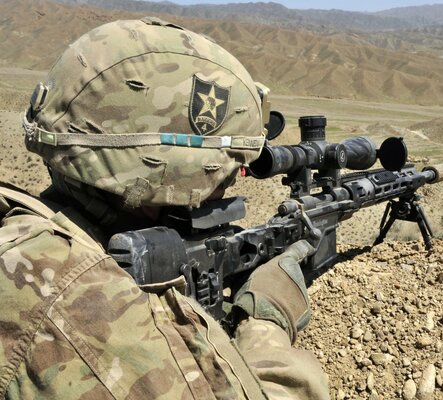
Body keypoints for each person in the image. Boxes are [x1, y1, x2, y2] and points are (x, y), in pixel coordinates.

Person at [0, 18, 329, 399]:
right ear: (172, 175)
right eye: (226, 174)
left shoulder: (31, 234)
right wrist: (267, 321)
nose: (234, 181)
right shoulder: (80, 306)